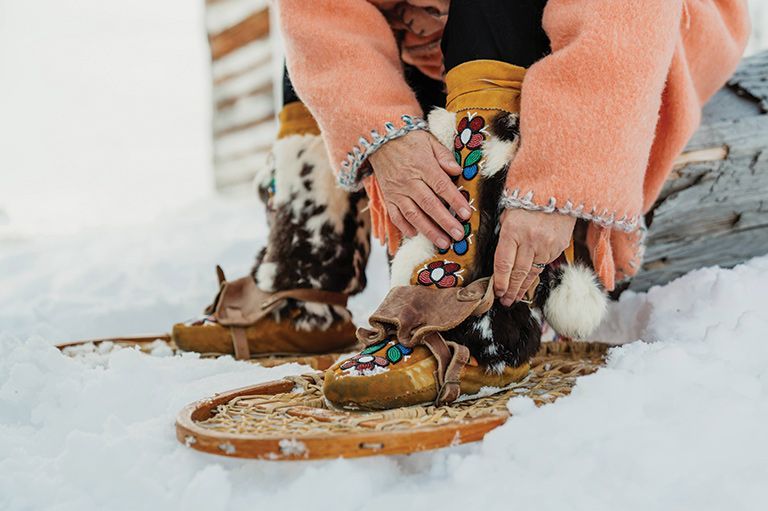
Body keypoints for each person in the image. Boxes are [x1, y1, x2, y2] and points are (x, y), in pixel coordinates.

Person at [173, 0, 750, 410]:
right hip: (435, 36)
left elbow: (622, 22)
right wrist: (381, 132)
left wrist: (558, 184)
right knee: (324, 34)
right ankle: (309, 274)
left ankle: (480, 312)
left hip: (619, 44)